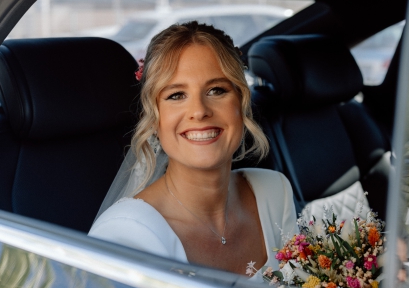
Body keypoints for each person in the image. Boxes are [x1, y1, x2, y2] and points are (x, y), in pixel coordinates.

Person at [89, 22, 295, 275]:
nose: (199, 111)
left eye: (216, 90)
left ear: (241, 104)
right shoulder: (125, 232)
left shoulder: (275, 191)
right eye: (176, 95)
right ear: (154, 119)